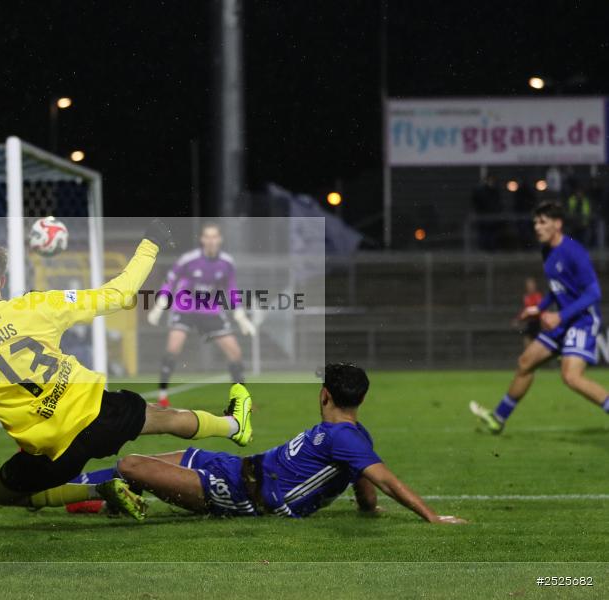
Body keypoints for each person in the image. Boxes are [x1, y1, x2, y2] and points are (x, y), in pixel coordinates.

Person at [0, 220, 254, 514]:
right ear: (2, 279)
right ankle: (235, 425)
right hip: (99, 412)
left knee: (1, 492)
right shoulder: (37, 304)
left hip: (56, 453)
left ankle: (97, 490)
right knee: (164, 419)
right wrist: (150, 243)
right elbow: (119, 293)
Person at [63, 363, 466, 524]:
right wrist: (367, 507)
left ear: (324, 394)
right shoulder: (354, 437)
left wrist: (431, 517)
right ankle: (66, 490)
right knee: (155, 461)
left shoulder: (344, 437)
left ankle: (92, 493)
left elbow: (385, 479)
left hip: (244, 494)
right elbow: (365, 479)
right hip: (237, 468)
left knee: (131, 465)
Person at [470, 201, 608, 434]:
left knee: (571, 377)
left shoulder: (574, 251)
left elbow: (594, 293)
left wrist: (560, 315)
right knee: (526, 362)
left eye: (543, 222)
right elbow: (557, 289)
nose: (537, 227)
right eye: (535, 222)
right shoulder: (547, 251)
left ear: (558, 224)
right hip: (562, 321)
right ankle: (498, 419)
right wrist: (538, 308)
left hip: (582, 320)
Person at [147, 222, 256, 407]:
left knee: (235, 352)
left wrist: (240, 316)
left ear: (220, 240)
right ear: (202, 240)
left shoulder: (226, 263)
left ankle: (241, 399)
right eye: (208, 237)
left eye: (214, 237)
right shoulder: (189, 260)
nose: (211, 241)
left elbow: (231, 289)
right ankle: (162, 397)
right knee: (173, 349)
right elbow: (170, 279)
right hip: (185, 308)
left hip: (211, 310)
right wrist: (160, 304)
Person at [514, 277, 543, 348]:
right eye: (529, 286)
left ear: (535, 286)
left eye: (532, 285)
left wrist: (528, 312)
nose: (530, 287)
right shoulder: (526, 297)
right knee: (526, 343)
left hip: (538, 324)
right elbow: (524, 310)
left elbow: (539, 309)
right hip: (530, 324)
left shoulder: (538, 296)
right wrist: (518, 319)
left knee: (537, 346)